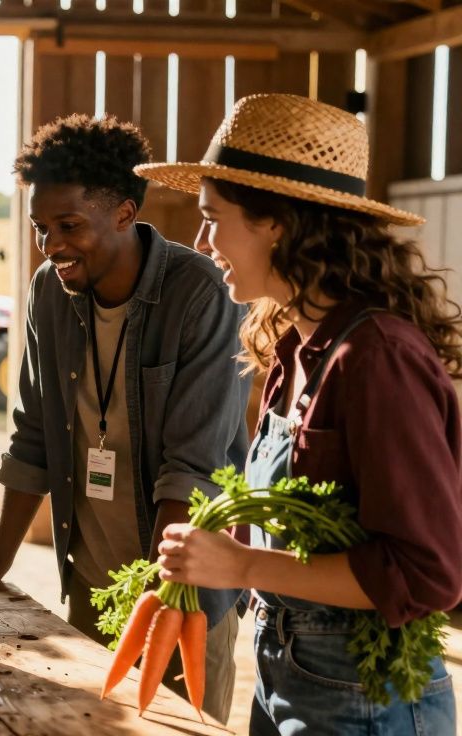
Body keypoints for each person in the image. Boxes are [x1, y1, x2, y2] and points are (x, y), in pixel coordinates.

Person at [144, 93, 461, 734]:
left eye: (214, 218)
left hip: (365, 702)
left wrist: (242, 567)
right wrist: (222, 546)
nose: (203, 243)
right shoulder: (292, 342)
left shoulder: (377, 358)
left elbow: (427, 575)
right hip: (285, 672)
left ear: (278, 223)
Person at [0, 114, 248, 723]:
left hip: (181, 597)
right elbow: (32, 434)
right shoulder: (50, 290)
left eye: (68, 226)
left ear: (125, 213)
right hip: (91, 589)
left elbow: (194, 465)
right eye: (40, 229)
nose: (51, 246)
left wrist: (160, 595)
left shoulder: (201, 295)